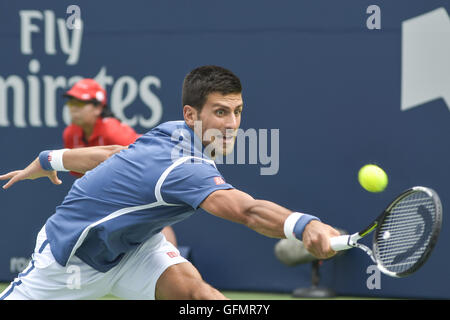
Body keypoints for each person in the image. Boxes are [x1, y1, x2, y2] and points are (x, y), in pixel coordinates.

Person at [0, 65, 340, 300]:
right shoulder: (183, 164)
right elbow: (247, 211)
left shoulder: (173, 131)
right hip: (68, 259)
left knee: (199, 295)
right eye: (221, 112)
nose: (233, 123)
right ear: (192, 114)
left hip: (134, 250)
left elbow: (115, 153)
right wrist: (303, 224)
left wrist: (49, 159)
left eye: (238, 111)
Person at [63, 78, 177, 247]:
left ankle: (173, 257)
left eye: (80, 103)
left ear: (98, 108)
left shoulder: (113, 132)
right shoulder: (70, 134)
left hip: (143, 174)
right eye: (71, 103)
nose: (73, 109)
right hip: (111, 185)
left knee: (153, 218)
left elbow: (140, 162)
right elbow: (81, 174)